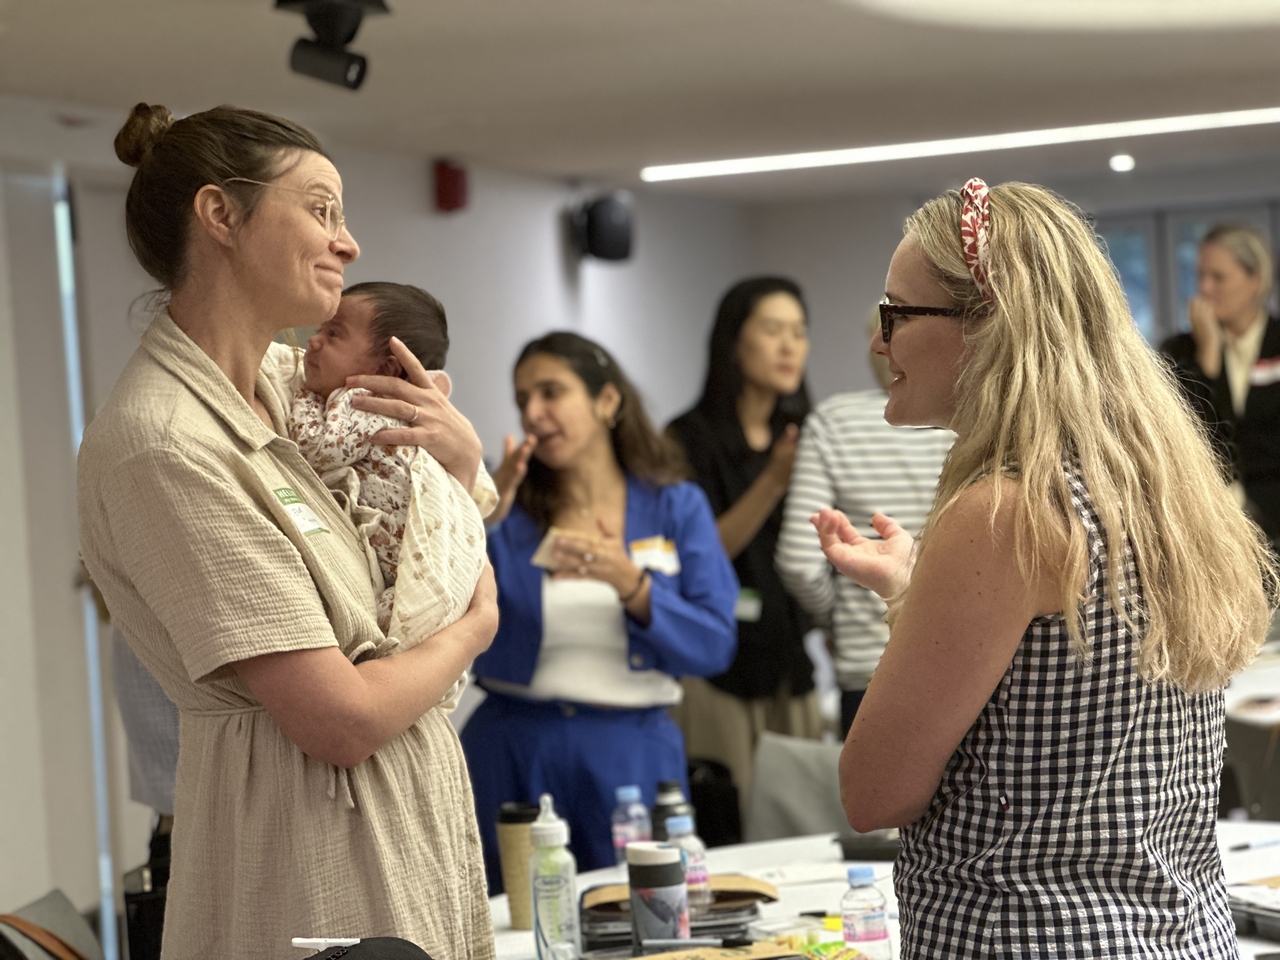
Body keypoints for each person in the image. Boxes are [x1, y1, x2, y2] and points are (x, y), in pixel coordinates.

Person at [78, 103, 497, 959]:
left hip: (408, 811)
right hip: (307, 840)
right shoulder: (166, 442)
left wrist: (460, 464)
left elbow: (434, 517)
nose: (348, 245)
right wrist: (479, 625)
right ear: (220, 215)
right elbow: (337, 722)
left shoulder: (283, 379)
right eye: (322, 210)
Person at [817, 179, 1275, 958]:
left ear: (987, 326)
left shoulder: (1003, 513)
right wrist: (915, 589)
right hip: (1174, 934)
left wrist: (919, 598)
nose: (877, 340)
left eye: (897, 313)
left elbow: (874, 792)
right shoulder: (1162, 494)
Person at [464, 331, 738, 882]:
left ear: (607, 401)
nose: (534, 413)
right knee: (513, 923)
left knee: (643, 916)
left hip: (631, 754)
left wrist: (633, 585)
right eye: (522, 400)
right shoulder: (504, 507)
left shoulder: (675, 506)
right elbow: (442, 613)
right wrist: (477, 519)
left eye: (551, 392)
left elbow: (714, 643)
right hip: (512, 748)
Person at [667, 277, 819, 808]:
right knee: (726, 819)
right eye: (773, 330)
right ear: (734, 342)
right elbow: (699, 557)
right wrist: (774, 481)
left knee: (801, 818)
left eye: (799, 333)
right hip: (718, 671)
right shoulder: (686, 439)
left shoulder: (808, 432)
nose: (789, 346)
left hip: (790, 662)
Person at [287, 281, 495, 650]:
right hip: (414, 568)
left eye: (333, 334)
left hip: (417, 569)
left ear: (385, 367)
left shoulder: (367, 400)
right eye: (320, 329)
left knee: (385, 639)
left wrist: (304, 394)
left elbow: (316, 450)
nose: (314, 341)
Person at [775, 308, 952, 738]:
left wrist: (838, 620)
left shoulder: (832, 423)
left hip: (868, 665)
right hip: (963, 661)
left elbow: (799, 561)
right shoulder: (976, 424)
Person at [1161, 224, 1280, 545]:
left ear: (1255, 280)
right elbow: (1187, 440)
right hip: (1208, 530)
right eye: (1200, 276)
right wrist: (1208, 360)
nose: (1204, 288)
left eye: (1218, 277)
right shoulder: (1178, 352)